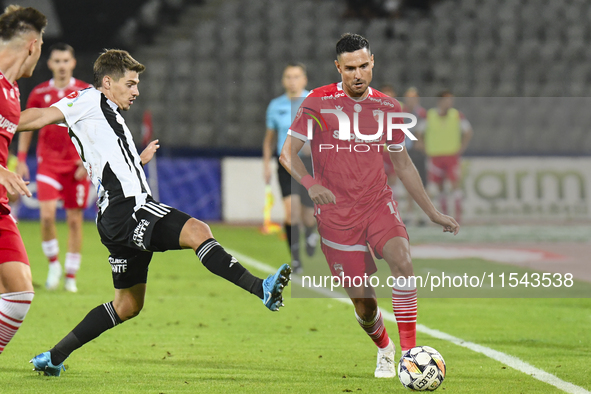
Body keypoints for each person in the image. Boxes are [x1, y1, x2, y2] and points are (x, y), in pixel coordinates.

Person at [18, 49, 291, 376]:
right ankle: (260, 287)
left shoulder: (109, 115)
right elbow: (37, 117)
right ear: (108, 83)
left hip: (113, 218)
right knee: (197, 231)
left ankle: (54, 356)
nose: (136, 91)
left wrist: (139, 159)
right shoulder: (88, 100)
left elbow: (111, 161)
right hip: (127, 208)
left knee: (127, 305)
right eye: (130, 84)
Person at [280, 33, 459, 378]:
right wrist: (311, 183)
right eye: (350, 68)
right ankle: (385, 349)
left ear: (372, 62)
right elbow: (287, 154)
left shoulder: (388, 108)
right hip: (335, 216)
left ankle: (409, 354)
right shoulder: (318, 102)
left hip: (377, 204)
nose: (358, 74)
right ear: (338, 68)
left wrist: (432, 212)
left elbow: (403, 164)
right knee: (364, 304)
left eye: (364, 65)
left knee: (403, 262)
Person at [17, 43, 91, 292]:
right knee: (47, 216)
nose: (61, 66)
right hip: (47, 163)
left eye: (65, 61)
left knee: (74, 220)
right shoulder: (39, 93)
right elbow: (27, 124)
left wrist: (87, 158)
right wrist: (21, 158)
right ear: (49, 64)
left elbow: (94, 127)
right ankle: (53, 266)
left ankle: (71, 275)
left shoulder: (85, 92)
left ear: (73, 63)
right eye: (57, 61)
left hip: (76, 165)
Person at [0, 4, 47, 356]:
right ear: (32, 46)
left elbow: (19, 122)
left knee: (19, 295)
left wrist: (68, 111)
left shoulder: (12, 91)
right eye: (42, 48)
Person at [263, 63, 316, 273]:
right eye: (288, 77)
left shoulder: (315, 102)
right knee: (290, 212)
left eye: (296, 76)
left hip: (311, 164)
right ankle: (296, 260)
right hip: (285, 163)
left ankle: (311, 233)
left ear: (304, 79)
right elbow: (269, 139)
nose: (292, 81)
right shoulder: (276, 106)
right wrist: (266, 164)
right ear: (283, 80)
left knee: (309, 215)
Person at [417, 90, 472, 223]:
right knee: (439, 186)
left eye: (451, 100)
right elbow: (419, 132)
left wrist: (462, 147)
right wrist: (424, 147)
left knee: (455, 184)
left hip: (451, 155)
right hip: (435, 156)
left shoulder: (457, 115)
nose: (450, 103)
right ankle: (444, 216)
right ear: (440, 101)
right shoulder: (429, 115)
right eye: (447, 100)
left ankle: (458, 217)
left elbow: (468, 131)